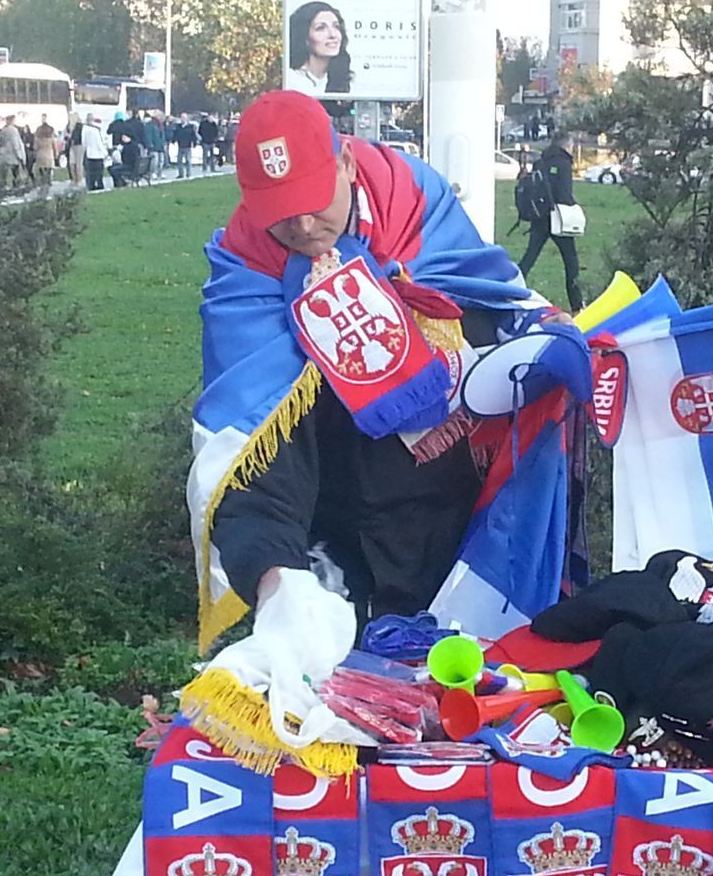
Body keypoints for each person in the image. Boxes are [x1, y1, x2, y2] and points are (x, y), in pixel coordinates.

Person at [190, 89, 592, 682]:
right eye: (278, 211)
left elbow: (488, 291)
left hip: (465, 508)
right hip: (348, 538)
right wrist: (277, 581)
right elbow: (247, 443)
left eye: (312, 200)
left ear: (347, 164)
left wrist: (546, 335)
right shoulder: (245, 277)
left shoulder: (415, 202)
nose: (302, 226)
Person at [514, 129, 584, 313]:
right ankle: (576, 305)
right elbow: (564, 193)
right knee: (571, 261)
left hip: (539, 216)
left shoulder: (541, 161)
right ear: (567, 145)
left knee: (530, 256)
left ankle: (512, 289)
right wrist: (574, 207)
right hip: (558, 218)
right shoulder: (564, 163)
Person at [284, 1, 351, 96]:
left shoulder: (346, 79)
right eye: (321, 28)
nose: (332, 35)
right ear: (305, 37)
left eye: (336, 27)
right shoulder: (291, 80)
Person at [79, 115, 109, 191]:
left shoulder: (84, 129)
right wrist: (106, 153)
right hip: (98, 155)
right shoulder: (95, 130)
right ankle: (99, 186)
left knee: (90, 174)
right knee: (99, 175)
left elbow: (83, 142)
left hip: (89, 155)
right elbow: (99, 144)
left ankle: (91, 187)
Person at [0, 116, 25, 187]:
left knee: (6, 175)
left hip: (5, 156)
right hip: (13, 156)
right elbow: (15, 143)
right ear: (12, 121)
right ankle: (15, 187)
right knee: (15, 175)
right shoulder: (13, 131)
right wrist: (20, 156)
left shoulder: (3, 131)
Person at [32, 118, 58, 189]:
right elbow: (54, 147)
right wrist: (56, 155)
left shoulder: (37, 139)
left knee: (41, 170)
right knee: (49, 170)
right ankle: (48, 181)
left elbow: (35, 148)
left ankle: (43, 182)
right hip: (49, 155)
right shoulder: (51, 139)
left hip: (40, 155)